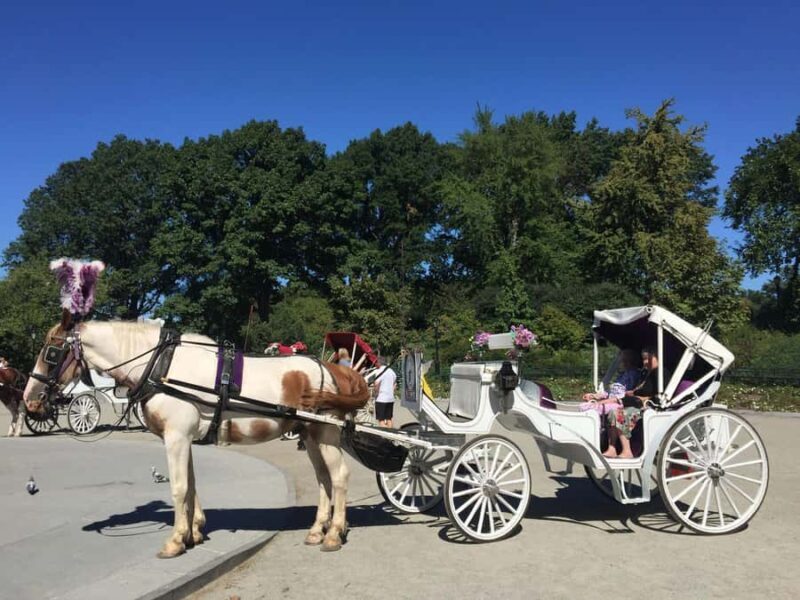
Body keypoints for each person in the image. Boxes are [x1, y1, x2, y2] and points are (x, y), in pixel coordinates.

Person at [604, 346, 671, 458]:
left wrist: (644, 398)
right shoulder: (647, 373)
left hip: (648, 408)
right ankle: (612, 448)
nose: (645, 362)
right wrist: (633, 393)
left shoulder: (661, 373)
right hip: (635, 404)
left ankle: (627, 451)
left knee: (619, 415)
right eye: (643, 359)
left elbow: (660, 395)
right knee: (612, 412)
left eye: (647, 359)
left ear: (656, 357)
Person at [581, 349, 642, 413]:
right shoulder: (623, 374)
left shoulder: (634, 374)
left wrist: (603, 401)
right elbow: (611, 392)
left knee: (592, 409)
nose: (623, 363)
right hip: (610, 400)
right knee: (584, 406)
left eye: (626, 360)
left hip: (620, 401)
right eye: (623, 360)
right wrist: (594, 396)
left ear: (633, 361)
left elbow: (628, 393)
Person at [373, 356, 397, 428]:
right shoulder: (392, 371)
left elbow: (376, 384)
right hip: (390, 398)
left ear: (379, 363)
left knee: (381, 420)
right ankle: (391, 434)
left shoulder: (380, 371)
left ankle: (385, 437)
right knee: (389, 418)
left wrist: (376, 392)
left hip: (381, 398)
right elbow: (395, 385)